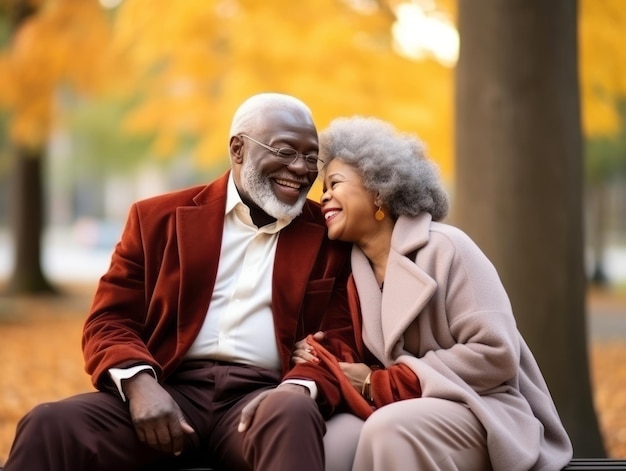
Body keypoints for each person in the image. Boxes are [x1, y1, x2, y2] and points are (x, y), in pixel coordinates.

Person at [2, 93, 356, 471]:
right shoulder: (155, 219)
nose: (301, 168)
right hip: (169, 387)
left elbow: (343, 336)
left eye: (310, 157)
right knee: (50, 424)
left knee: (291, 411)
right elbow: (109, 321)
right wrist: (140, 385)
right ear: (238, 149)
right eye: (285, 151)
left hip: (265, 396)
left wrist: (295, 387)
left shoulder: (331, 236)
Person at [292, 116, 574, 471]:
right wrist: (311, 352)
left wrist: (383, 382)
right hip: (396, 408)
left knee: (388, 431)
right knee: (328, 442)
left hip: (480, 410)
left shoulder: (448, 248)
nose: (325, 196)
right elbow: (347, 349)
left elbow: (496, 353)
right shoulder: (352, 270)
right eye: (323, 189)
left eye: (334, 183)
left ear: (379, 190)